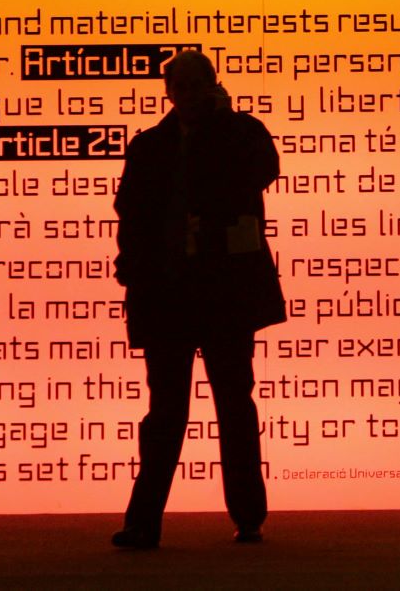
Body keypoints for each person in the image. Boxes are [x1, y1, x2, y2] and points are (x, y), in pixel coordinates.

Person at [109, 49, 285, 549]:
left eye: (194, 86)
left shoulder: (241, 133)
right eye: (178, 87)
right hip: (167, 296)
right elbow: (132, 219)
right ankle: (143, 523)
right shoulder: (149, 148)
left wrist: (224, 122)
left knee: (233, 404)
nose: (185, 96)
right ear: (168, 92)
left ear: (212, 85)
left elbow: (260, 170)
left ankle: (249, 516)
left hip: (224, 295)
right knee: (165, 411)